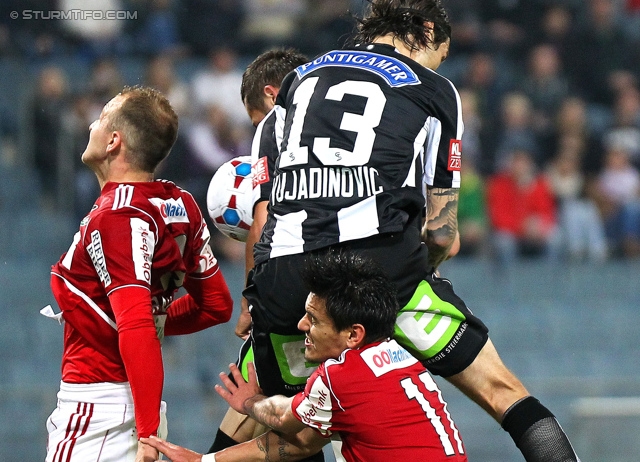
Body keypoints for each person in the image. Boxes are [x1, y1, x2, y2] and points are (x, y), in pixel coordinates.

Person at [214, 2, 581, 461]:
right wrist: (425, 270)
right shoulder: (434, 90)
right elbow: (444, 233)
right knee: (503, 393)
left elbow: (265, 213)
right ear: (428, 31)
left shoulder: (298, 80)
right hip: (381, 271)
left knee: (295, 432)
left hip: (285, 280)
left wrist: (253, 296)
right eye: (442, 53)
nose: (439, 63)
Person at [45, 85, 234, 462]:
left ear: (114, 141)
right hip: (131, 411)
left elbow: (134, 326)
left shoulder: (116, 217)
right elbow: (216, 305)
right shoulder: (179, 203)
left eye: (100, 119)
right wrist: (154, 323)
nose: (92, 125)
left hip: (99, 412)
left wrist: (146, 435)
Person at [143, 251, 468, 462]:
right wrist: (206, 461)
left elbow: (285, 419)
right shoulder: (399, 355)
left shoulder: (343, 376)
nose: (301, 326)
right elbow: (302, 443)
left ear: (353, 334)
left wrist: (249, 404)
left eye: (313, 319)